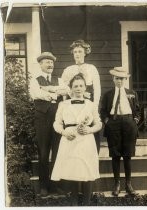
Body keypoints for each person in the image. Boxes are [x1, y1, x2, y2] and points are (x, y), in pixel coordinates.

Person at [51, 73, 102, 205]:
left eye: (81, 85)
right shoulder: (63, 104)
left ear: (85, 87)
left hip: (86, 140)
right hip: (69, 140)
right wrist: (63, 132)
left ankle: (86, 203)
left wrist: (89, 129)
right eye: (75, 86)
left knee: (87, 170)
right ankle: (74, 204)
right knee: (72, 170)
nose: (78, 88)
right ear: (71, 88)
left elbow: (99, 123)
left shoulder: (91, 105)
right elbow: (56, 123)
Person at [29, 52, 67, 197]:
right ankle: (44, 186)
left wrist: (48, 89)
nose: (50, 64)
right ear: (40, 64)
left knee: (57, 152)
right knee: (44, 153)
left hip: (57, 118)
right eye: (46, 62)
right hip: (42, 119)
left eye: (51, 62)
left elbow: (66, 91)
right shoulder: (35, 80)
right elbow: (36, 94)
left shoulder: (59, 79)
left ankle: (55, 185)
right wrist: (55, 93)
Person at [100, 67, 141, 197]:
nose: (119, 81)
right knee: (115, 155)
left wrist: (134, 120)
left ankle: (128, 184)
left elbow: (138, 110)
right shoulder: (108, 94)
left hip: (129, 123)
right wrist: (107, 121)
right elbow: (103, 111)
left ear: (125, 79)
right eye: (117, 78)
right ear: (113, 79)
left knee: (128, 155)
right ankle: (117, 184)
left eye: (122, 78)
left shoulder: (132, 93)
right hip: (114, 124)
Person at [61, 39, 101, 152]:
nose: (77, 54)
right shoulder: (68, 69)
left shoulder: (91, 68)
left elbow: (97, 88)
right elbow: (63, 85)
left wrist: (95, 106)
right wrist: (72, 93)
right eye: (75, 52)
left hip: (89, 102)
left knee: (89, 127)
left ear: (85, 53)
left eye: (80, 51)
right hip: (73, 101)